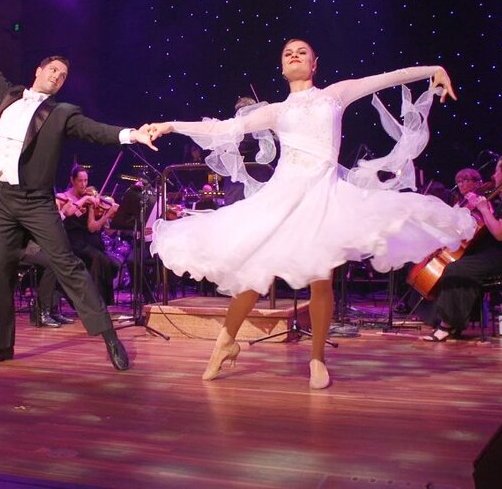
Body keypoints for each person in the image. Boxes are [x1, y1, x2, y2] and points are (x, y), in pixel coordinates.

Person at [146, 39, 475, 388]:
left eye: (302, 51)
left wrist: (432, 70)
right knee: (252, 271)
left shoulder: (335, 94)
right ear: (282, 68)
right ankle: (226, 342)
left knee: (322, 278)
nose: (294, 55)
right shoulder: (275, 111)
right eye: (288, 53)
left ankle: (317, 357)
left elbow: (387, 77)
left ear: (315, 63)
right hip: (282, 198)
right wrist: (170, 124)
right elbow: (224, 128)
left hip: (324, 198)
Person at [0, 47, 157, 370]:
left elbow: (94, 131)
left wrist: (131, 135)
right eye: (53, 70)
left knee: (68, 265)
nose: (58, 76)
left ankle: (110, 337)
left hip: (36, 201)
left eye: (63, 75)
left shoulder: (62, 113)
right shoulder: (9, 95)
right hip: (0, 198)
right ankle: (1, 346)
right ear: (38, 71)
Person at [423, 154, 502, 340]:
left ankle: (448, 325)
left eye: (496, 171)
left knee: (457, 268)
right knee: (460, 263)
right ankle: (454, 322)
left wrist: (485, 209)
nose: (494, 175)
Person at [59, 165, 121, 305]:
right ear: (72, 180)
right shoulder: (65, 197)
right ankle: (94, 302)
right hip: (73, 241)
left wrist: (108, 213)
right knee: (99, 259)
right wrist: (86, 201)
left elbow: (92, 227)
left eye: (86, 180)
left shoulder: (89, 199)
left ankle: (101, 301)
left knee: (110, 263)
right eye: (80, 180)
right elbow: (67, 213)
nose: (83, 184)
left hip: (89, 241)